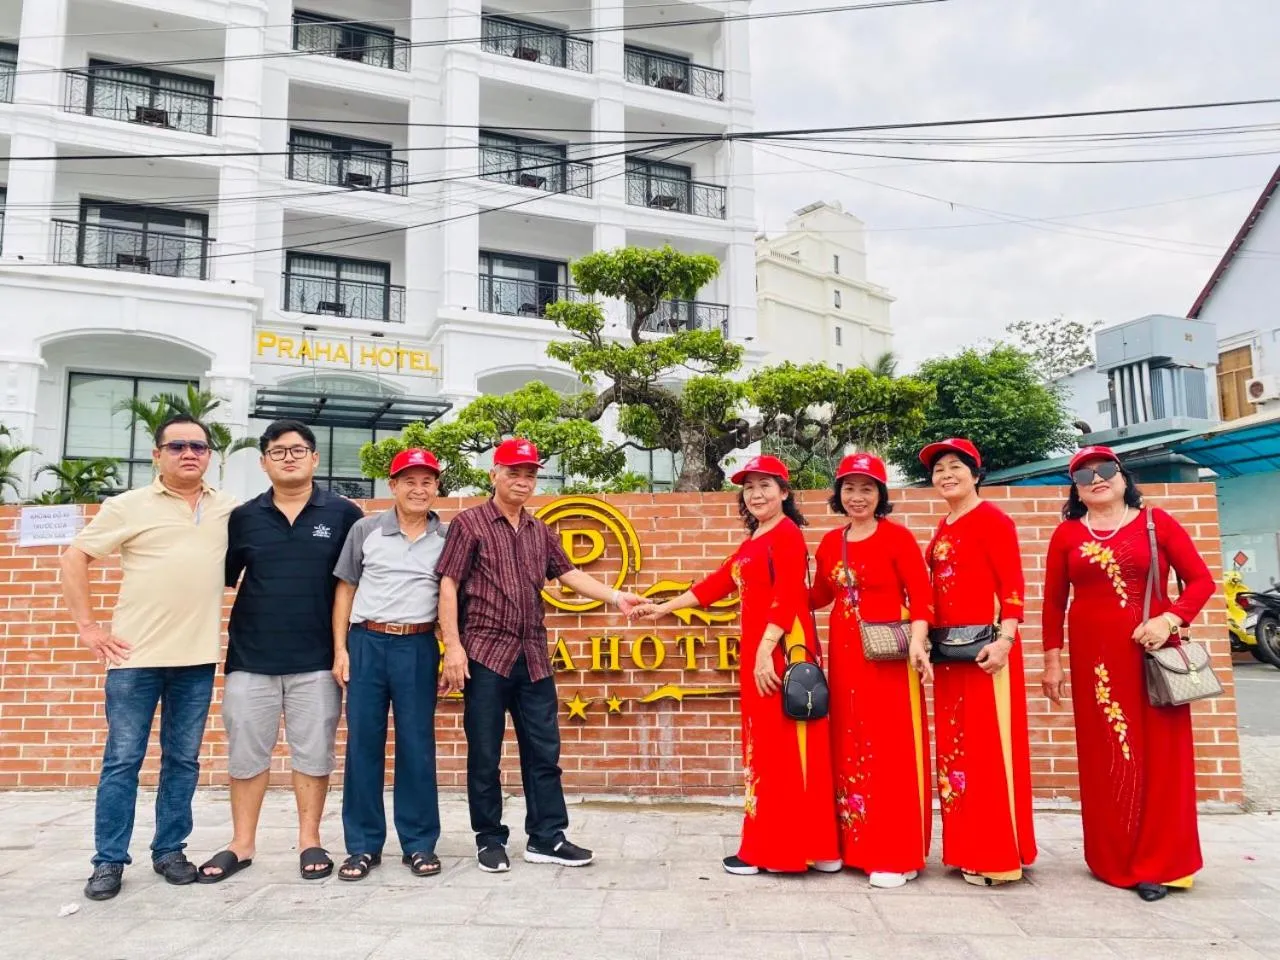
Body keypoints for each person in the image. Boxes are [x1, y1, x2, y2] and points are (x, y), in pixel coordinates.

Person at [436, 438, 642, 872]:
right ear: (494, 474)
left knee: (544, 752)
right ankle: (489, 838)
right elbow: (449, 584)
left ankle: (547, 837)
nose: (523, 481)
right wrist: (452, 646)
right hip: (484, 656)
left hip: (533, 657)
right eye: (514, 472)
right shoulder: (469, 524)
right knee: (485, 754)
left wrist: (616, 596)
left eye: (530, 474)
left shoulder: (540, 530)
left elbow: (568, 573)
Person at [633, 455, 841, 876]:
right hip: (766, 651)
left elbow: (788, 597)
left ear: (784, 492)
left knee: (780, 751)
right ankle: (815, 848)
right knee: (775, 750)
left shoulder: (786, 535)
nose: (756, 494)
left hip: (781, 652)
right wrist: (661, 609)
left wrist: (766, 651)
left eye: (766, 485)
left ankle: (777, 852)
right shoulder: (755, 541)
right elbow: (715, 585)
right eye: (749, 488)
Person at [58, 414, 238, 901]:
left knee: (183, 760)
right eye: (177, 446)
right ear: (158, 454)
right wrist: (88, 627)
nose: (189, 454)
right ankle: (109, 861)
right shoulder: (127, 505)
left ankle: (169, 851)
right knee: (122, 761)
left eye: (199, 447)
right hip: (134, 658)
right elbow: (74, 558)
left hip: (197, 660)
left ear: (209, 456)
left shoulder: (227, 509)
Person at [1041, 445, 1214, 902]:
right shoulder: (1066, 536)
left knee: (1162, 758)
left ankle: (1163, 863)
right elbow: (1053, 602)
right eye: (1083, 475)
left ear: (1122, 476)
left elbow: (1201, 582)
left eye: (1105, 470)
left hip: (1151, 657)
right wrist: (1052, 661)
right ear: (1075, 490)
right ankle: (1111, 858)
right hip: (1093, 663)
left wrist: (1169, 620)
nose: (1096, 479)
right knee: (1107, 756)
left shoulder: (1156, 524)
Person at [197, 420, 364, 884]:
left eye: (298, 450)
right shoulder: (244, 517)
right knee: (247, 755)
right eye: (278, 451)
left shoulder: (345, 514)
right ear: (264, 462)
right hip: (251, 659)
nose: (288, 457)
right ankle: (242, 843)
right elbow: (222, 579)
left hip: (317, 660)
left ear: (314, 458)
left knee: (313, 754)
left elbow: (353, 587)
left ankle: (310, 839)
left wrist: (343, 649)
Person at [809, 453, 934, 888]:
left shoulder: (897, 538)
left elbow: (922, 595)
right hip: (844, 661)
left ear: (881, 494)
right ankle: (849, 846)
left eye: (867, 488)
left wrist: (918, 643)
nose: (857, 497)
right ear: (838, 493)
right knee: (846, 744)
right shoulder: (829, 543)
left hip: (888, 659)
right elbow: (819, 595)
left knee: (889, 749)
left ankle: (896, 854)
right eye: (849, 488)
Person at [921, 438, 1038, 886]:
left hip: (988, 654)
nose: (946, 475)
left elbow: (1012, 585)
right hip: (951, 656)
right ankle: (967, 847)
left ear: (975, 472)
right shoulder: (944, 524)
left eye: (955, 466)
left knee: (989, 751)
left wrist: (1006, 640)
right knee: (957, 753)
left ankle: (998, 857)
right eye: (938, 470)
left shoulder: (994, 520)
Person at [331, 448, 449, 881]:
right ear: (393, 486)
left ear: (436, 487)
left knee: (417, 745)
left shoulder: (447, 536)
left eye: (427, 482)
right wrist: (340, 649)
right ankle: (362, 845)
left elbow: (452, 596)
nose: (419, 490)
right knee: (363, 743)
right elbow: (344, 590)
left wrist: (450, 646)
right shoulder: (366, 530)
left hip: (417, 646)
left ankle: (419, 844)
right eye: (409, 481)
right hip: (366, 643)